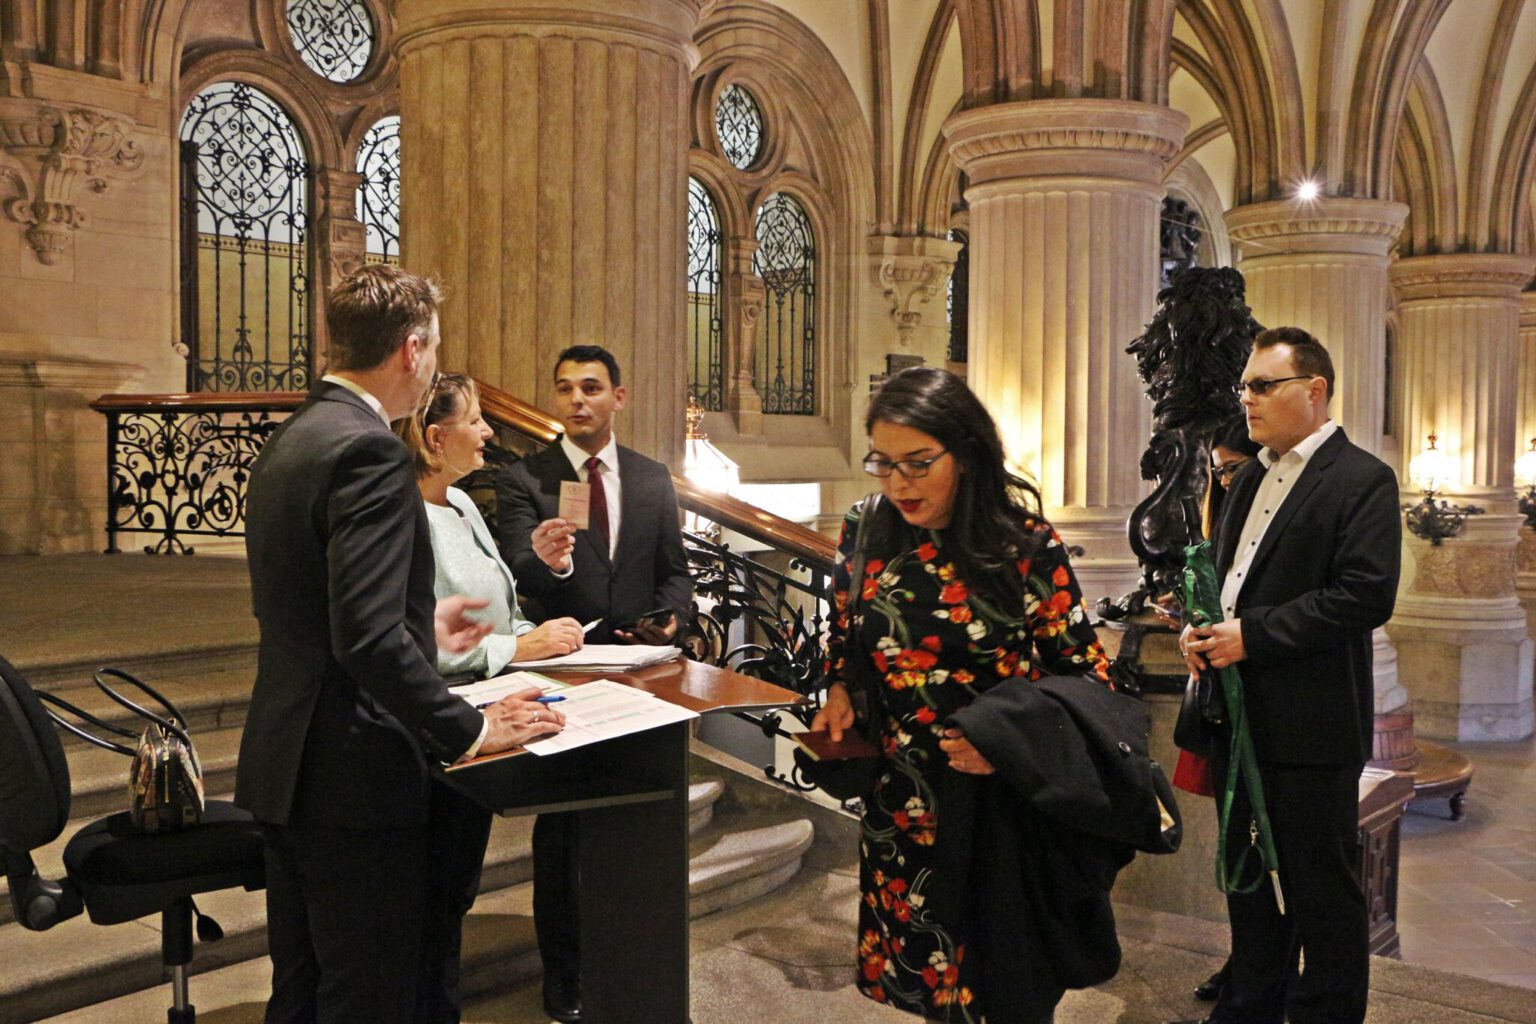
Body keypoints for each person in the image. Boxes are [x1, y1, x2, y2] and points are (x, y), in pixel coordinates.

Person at [236, 264, 564, 1024]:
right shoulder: (369, 450)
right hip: (354, 776)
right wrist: (470, 727)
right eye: (434, 347)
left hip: (286, 759)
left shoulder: (292, 438)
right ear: (412, 349)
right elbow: (370, 636)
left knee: (303, 992)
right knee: (369, 997)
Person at [812, 366, 1113, 1024]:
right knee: (930, 985)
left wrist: (1008, 742)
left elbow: (1088, 679)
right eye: (883, 463)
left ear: (967, 453)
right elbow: (844, 635)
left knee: (1002, 987)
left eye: (918, 463)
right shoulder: (866, 527)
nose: (898, 483)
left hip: (996, 808)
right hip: (899, 805)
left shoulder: (1024, 545)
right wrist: (838, 687)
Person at [1171, 327, 1401, 1024]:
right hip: (1236, 714)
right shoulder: (1249, 478)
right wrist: (1200, 629)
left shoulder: (1362, 479)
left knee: (1319, 889)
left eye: (1263, 385)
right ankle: (1249, 1007)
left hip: (1311, 723)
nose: (1247, 398)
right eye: (1244, 386)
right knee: (1247, 883)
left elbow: (1364, 595)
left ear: (1315, 389)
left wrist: (1252, 635)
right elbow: (1230, 581)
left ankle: (1326, 1013)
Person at [494, 343, 694, 1023]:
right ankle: (565, 976)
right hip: (566, 674)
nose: (576, 399)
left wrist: (673, 618)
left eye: (590, 387)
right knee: (565, 834)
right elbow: (516, 568)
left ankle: (629, 965)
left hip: (643, 676)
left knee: (638, 823)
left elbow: (675, 570)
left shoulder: (651, 477)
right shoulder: (526, 478)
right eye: (564, 388)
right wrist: (548, 561)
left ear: (618, 397)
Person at [393, 372, 587, 1022]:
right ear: (433, 437)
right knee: (432, 902)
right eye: (475, 420)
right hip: (437, 726)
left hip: (487, 717)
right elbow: (415, 641)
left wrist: (544, 640)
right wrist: (517, 648)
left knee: (455, 891)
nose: (488, 431)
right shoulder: (403, 516)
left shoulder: (462, 503)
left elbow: (495, 612)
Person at [1180, 413, 1262, 1005]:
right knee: (1235, 842)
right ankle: (1244, 962)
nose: (1225, 482)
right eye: (1218, 472)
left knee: (1260, 846)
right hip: (1220, 704)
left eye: (1234, 469)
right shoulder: (1224, 513)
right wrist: (1192, 625)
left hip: (1264, 706)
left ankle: (1257, 970)